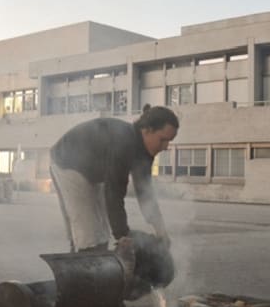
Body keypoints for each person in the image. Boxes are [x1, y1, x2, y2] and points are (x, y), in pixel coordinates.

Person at [49, 105, 178, 295]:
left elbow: (145, 192)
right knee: (89, 236)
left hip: (94, 173)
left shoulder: (144, 151)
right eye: (163, 140)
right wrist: (122, 236)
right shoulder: (124, 142)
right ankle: (79, 293)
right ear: (147, 130)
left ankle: (97, 289)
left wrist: (161, 229)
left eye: (170, 141)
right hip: (68, 165)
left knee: (101, 235)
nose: (166, 146)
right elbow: (114, 193)